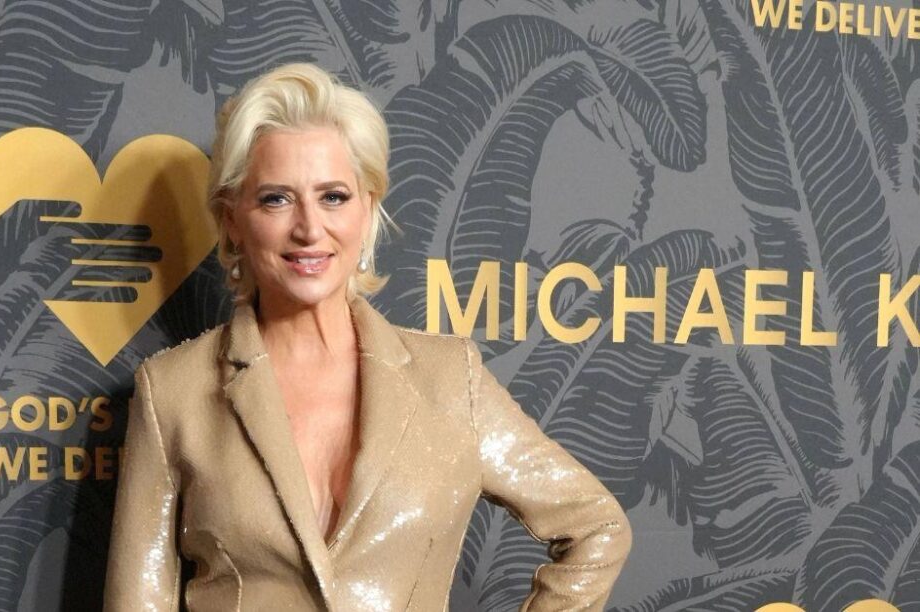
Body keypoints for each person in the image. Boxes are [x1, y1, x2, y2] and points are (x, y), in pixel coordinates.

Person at [103, 62, 631, 611]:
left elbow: (597, 526)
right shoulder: (173, 392)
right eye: (277, 199)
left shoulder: (452, 380)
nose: (309, 228)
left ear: (368, 208)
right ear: (233, 218)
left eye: (333, 196)